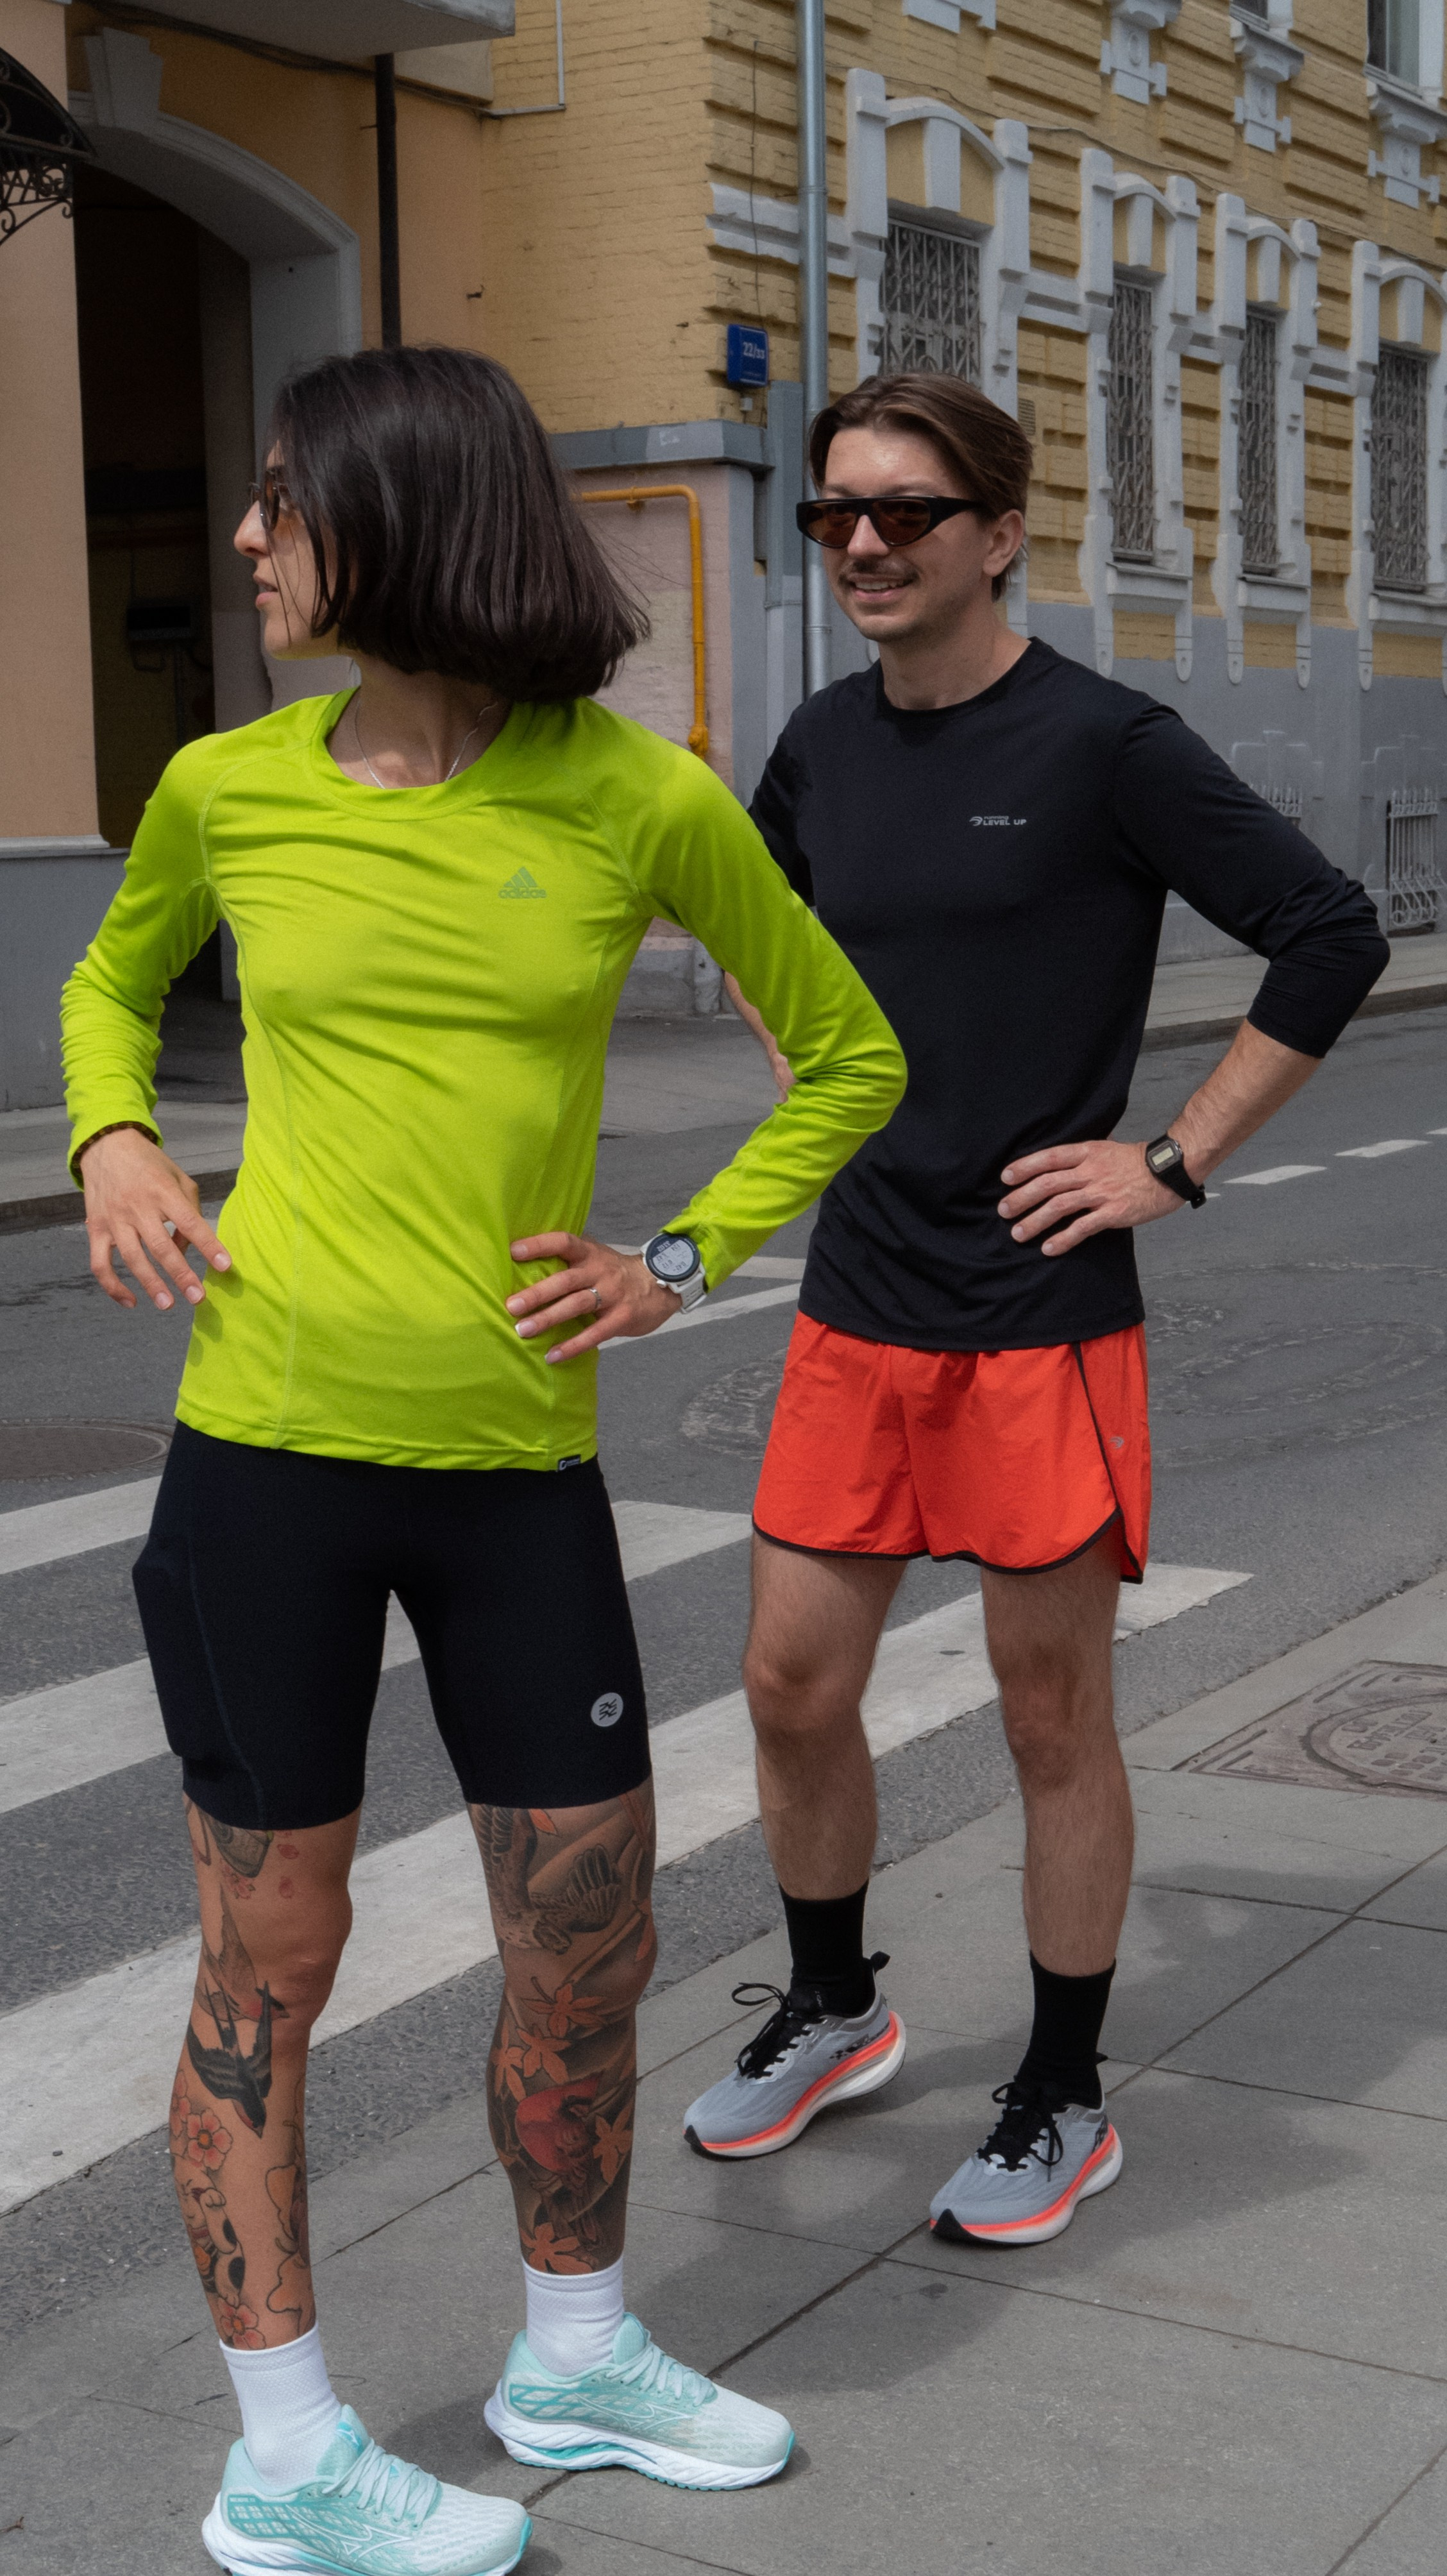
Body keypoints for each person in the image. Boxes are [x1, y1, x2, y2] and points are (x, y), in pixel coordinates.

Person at [62, 344, 905, 2576]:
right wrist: (115, 1132)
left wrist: (677, 1253)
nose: (246, 537)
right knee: (275, 1964)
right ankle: (287, 2455)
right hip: (267, 1458)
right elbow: (105, 984)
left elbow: (848, 1053)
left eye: (279, 499)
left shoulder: (637, 800)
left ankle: (578, 2345)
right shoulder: (224, 788)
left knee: (590, 1936)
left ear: (405, 519)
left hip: (520, 1462)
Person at [683, 370, 1389, 2246]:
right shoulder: (825, 746)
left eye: (908, 511)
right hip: (860, 1299)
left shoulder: (1106, 745)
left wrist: (1168, 1161)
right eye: (837, 510)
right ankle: (835, 2009)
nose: (864, 543)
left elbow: (1333, 934)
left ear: (1001, 532)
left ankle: (1063, 2094)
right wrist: (817, 1081)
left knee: (1048, 1709)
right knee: (787, 1681)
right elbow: (754, 917)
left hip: (1040, 1316)